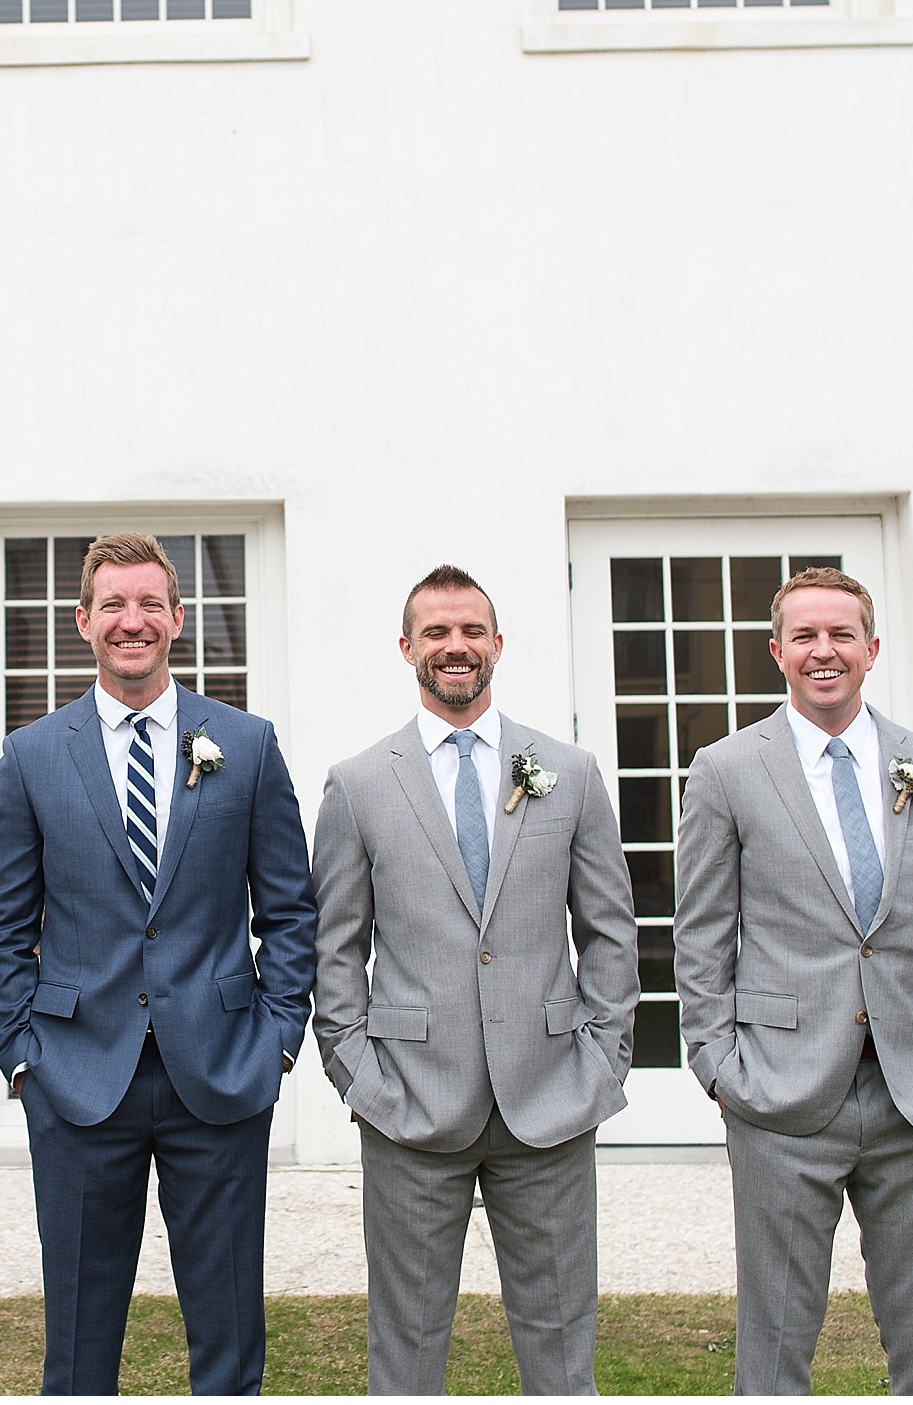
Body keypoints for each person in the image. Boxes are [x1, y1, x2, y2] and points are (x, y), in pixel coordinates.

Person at [0, 532, 318, 1395]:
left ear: (177, 619)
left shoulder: (246, 742)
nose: (134, 622)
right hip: (78, 1076)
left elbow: (288, 908)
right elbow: (3, 924)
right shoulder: (32, 756)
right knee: (81, 1347)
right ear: (83, 621)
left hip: (223, 1069)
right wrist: (23, 1056)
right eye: (114, 606)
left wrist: (277, 1039)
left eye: (151, 605)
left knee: (231, 1336)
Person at [309, 564, 637, 1393]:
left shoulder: (570, 770)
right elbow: (335, 949)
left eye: (471, 631)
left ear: (497, 644)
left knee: (563, 1348)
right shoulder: (358, 784)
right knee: (408, 1350)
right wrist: (361, 1076)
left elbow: (609, 933)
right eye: (436, 633)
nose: (455, 647)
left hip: (551, 1099)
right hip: (411, 1105)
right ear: (406, 647)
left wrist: (600, 1061)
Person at [674, 566, 913, 1394]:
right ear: (776, 651)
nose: (825, 651)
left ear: (872, 648)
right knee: (777, 1340)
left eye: (842, 634)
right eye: (807, 637)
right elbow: (702, 936)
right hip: (780, 1095)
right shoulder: (725, 770)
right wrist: (721, 1066)